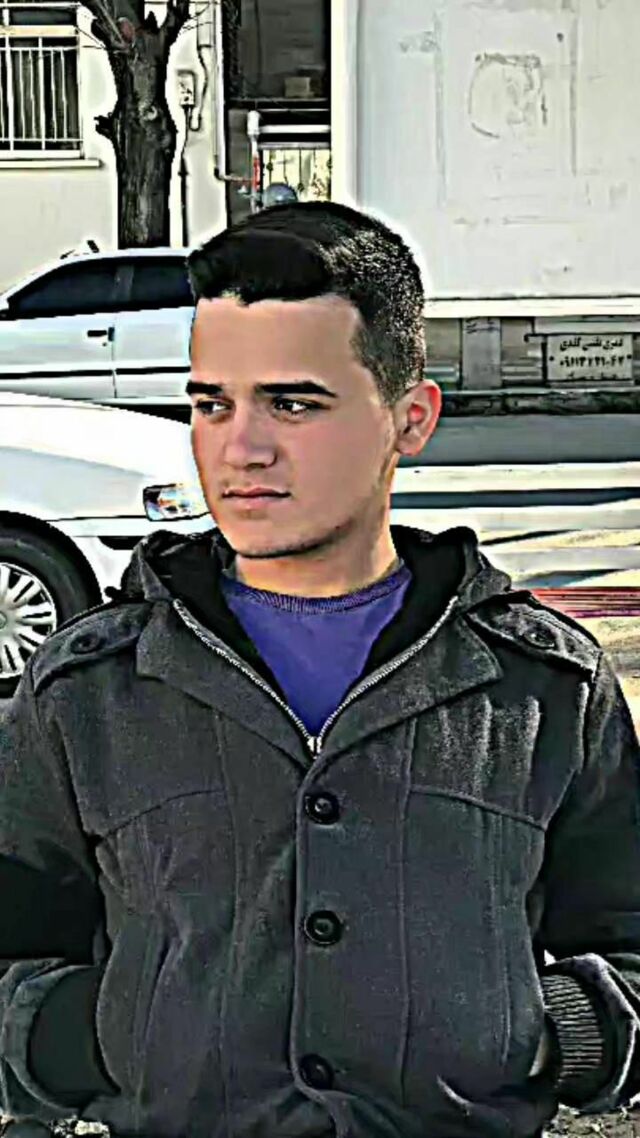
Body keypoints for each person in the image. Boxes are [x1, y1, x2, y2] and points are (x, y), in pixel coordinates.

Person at [1, 201, 640, 1138]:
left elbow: (627, 941)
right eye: (212, 404)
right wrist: (99, 1038)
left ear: (409, 419)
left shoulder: (545, 690)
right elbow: (15, 941)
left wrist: (545, 1035)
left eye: (293, 404)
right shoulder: (86, 692)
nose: (241, 448)